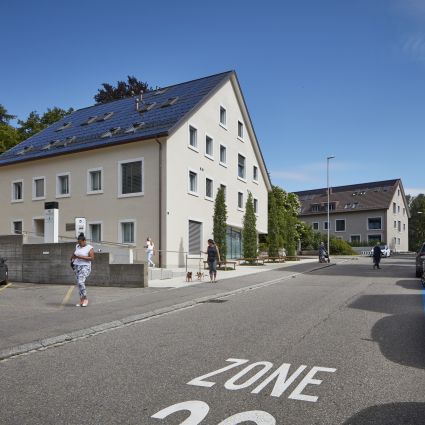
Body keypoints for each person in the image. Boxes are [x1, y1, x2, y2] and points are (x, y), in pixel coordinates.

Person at [71, 233, 94, 307]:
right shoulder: (77, 246)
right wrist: (72, 259)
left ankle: (85, 299)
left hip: (85, 267)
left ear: (84, 241)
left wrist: (81, 257)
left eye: (80, 242)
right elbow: (75, 254)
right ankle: (81, 300)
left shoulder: (90, 248)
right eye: (78, 242)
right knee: (79, 284)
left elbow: (92, 258)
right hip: (76, 266)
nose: (79, 244)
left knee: (81, 282)